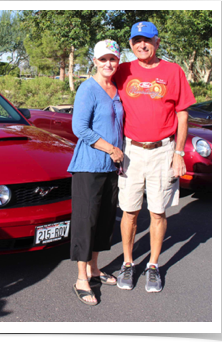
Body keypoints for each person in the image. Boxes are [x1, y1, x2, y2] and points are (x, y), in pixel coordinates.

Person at [113, 22, 196, 293]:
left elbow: (182, 114)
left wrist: (179, 153)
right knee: (129, 210)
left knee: (158, 212)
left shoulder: (173, 71)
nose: (142, 45)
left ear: (157, 42)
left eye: (147, 40)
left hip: (162, 151)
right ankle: (127, 263)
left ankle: (153, 266)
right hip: (131, 151)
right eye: (136, 40)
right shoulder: (123, 70)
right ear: (131, 44)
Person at [68, 40, 124, 306]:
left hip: (110, 167)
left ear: (118, 60)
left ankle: (94, 268)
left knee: (103, 220)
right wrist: (112, 149)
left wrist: (118, 156)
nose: (108, 64)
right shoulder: (88, 89)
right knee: (85, 221)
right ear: (95, 61)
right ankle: (81, 278)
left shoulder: (116, 88)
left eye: (112, 59)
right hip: (89, 166)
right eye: (103, 59)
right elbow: (80, 128)